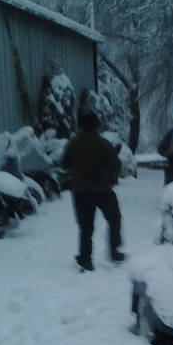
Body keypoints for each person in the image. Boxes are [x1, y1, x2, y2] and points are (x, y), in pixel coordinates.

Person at [61, 110, 124, 271]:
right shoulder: (104, 144)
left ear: (80, 126)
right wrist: (108, 175)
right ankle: (115, 251)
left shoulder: (73, 144)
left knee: (86, 226)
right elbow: (116, 166)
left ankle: (85, 259)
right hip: (103, 189)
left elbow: (64, 164)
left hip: (80, 191)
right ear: (97, 125)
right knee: (114, 218)